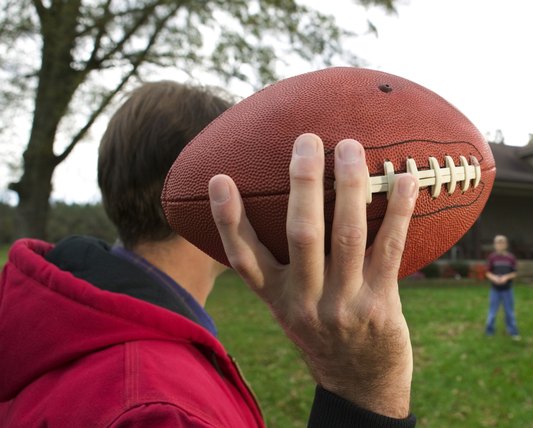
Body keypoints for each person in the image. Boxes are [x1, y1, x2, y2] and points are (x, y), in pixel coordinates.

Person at [0, 81, 418, 427]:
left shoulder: (54, 315)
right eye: (256, 170)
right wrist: (364, 392)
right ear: (223, 193)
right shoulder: (161, 412)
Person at [484, 235, 520, 339]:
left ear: (506, 245)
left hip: (507, 290)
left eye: (502, 242)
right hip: (495, 290)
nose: (500, 245)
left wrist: (506, 277)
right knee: (492, 312)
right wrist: (494, 278)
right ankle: (489, 332)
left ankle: (513, 332)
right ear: (494, 245)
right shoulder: (492, 258)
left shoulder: (511, 258)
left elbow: (514, 273)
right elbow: (487, 272)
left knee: (509, 312)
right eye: (498, 243)